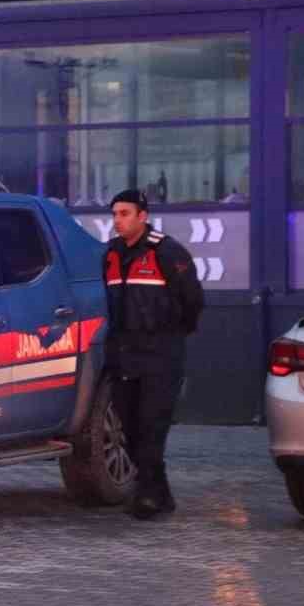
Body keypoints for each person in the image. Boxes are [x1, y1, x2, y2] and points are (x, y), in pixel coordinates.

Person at [103, 189, 205, 520]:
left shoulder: (166, 251)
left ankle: (146, 496)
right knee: (129, 428)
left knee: (151, 425)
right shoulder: (111, 254)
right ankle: (160, 493)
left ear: (142, 216)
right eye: (115, 214)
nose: (118, 220)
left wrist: (172, 335)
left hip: (161, 354)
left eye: (125, 213)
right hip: (124, 353)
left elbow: (193, 301)